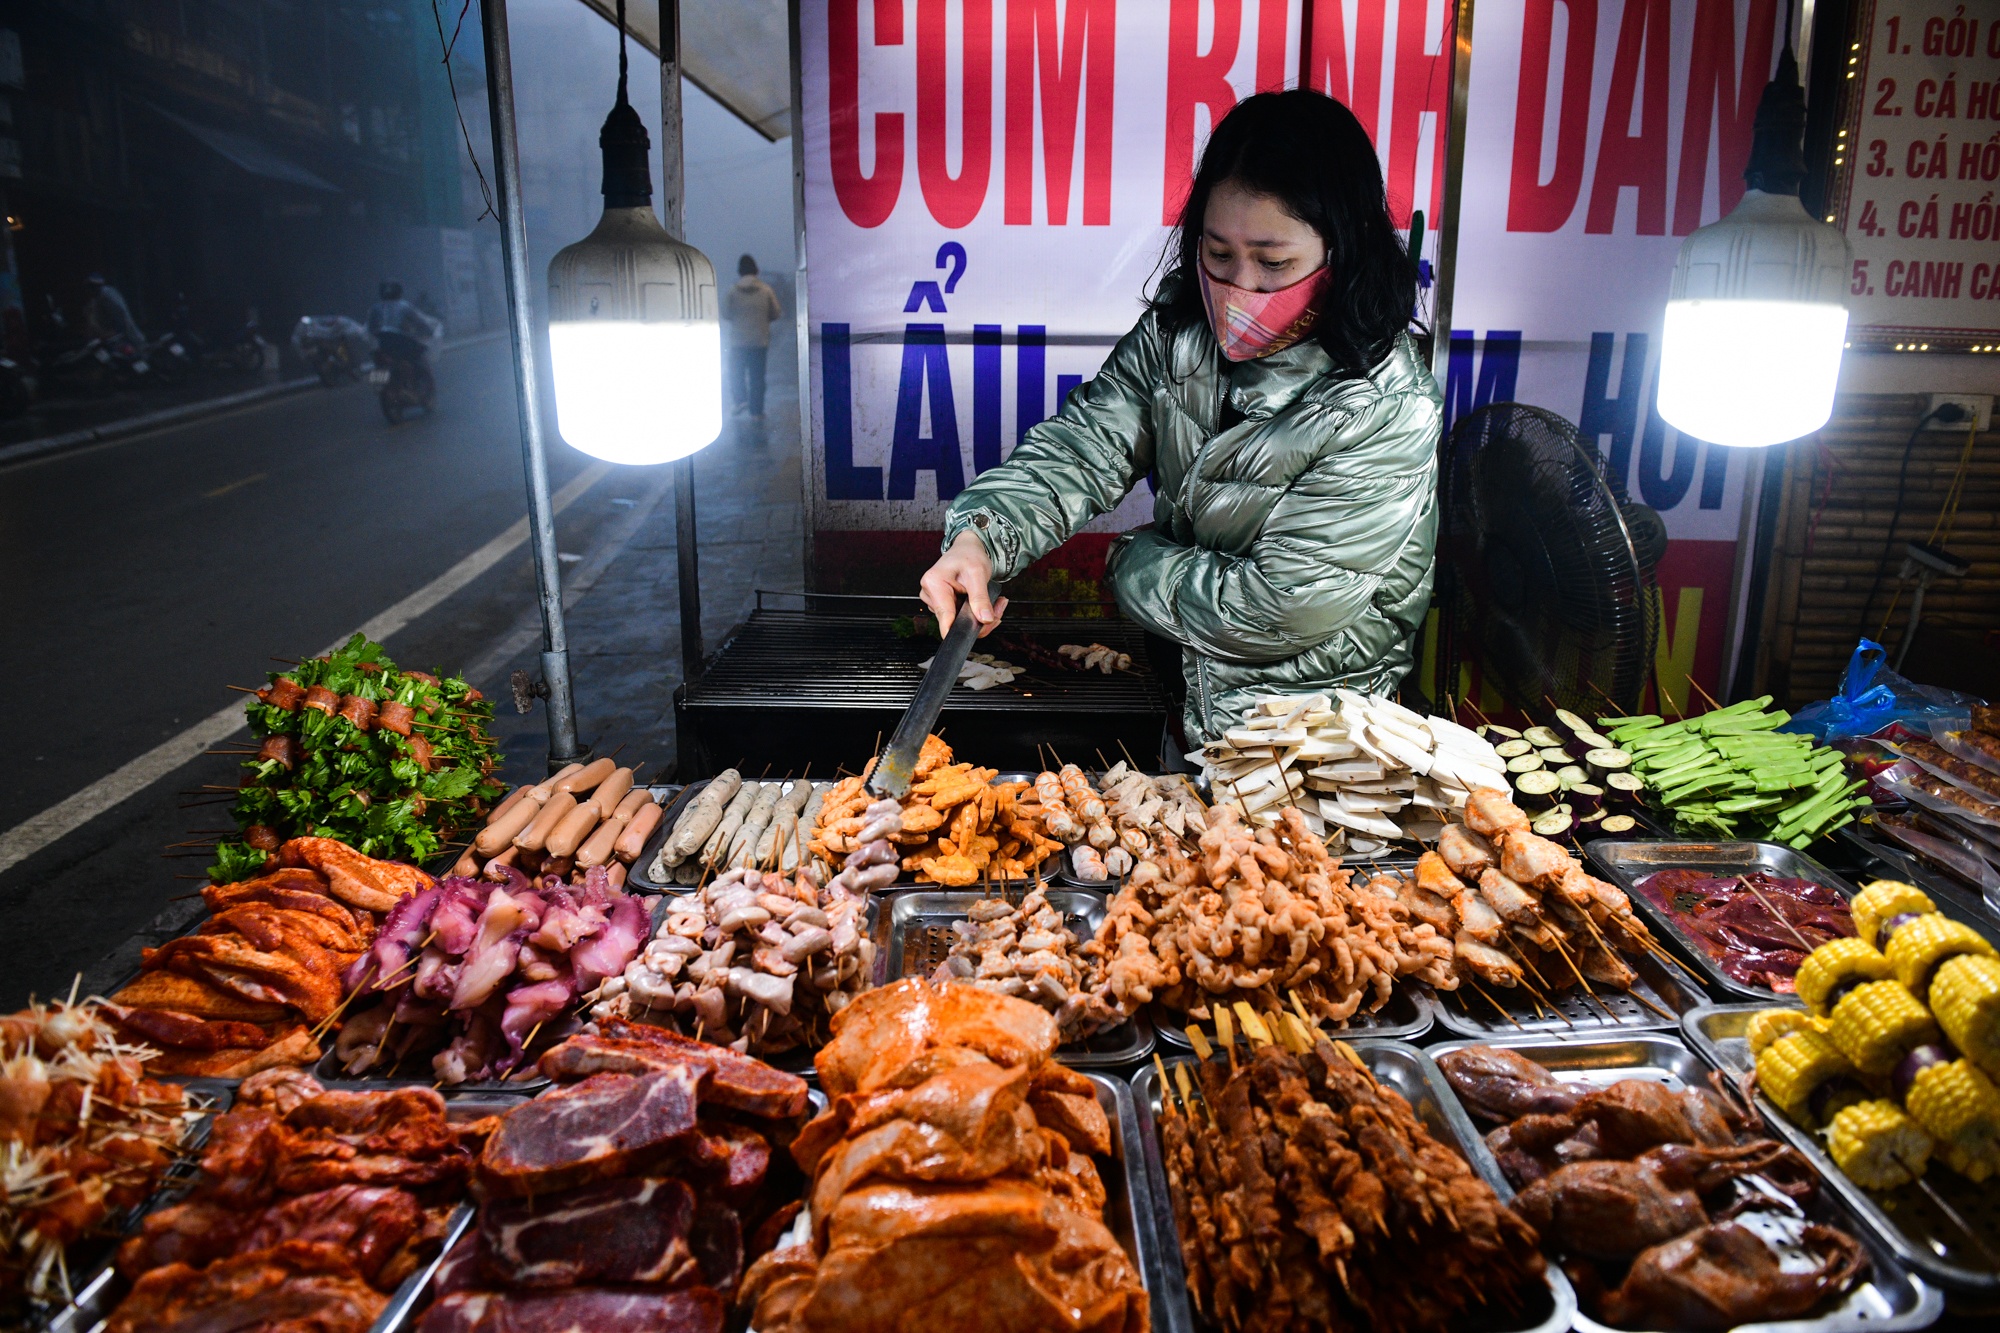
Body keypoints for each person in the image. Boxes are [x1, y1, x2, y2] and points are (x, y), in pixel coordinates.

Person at [919, 90, 1440, 749]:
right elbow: (1086, 446)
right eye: (1218, 254)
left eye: (1274, 262)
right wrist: (982, 538)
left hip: (1312, 743)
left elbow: (1278, 606)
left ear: (1344, 252)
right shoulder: (1178, 334)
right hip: (1189, 703)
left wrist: (1127, 561)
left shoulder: (1387, 404)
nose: (1239, 287)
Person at [722, 254, 783, 419]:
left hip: (738, 341)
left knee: (736, 373)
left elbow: (725, 313)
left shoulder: (733, 291)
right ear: (756, 270)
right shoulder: (766, 291)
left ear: (740, 271)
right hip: (759, 340)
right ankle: (756, 411)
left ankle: (740, 400)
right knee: (757, 377)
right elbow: (776, 313)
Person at [365, 280, 441, 397]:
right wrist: (429, 332)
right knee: (419, 356)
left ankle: (396, 386)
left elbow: (370, 329)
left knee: (378, 365)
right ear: (399, 292)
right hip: (402, 343)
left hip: (383, 344)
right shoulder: (404, 306)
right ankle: (415, 388)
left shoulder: (374, 308)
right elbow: (420, 322)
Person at [83, 273, 144, 346]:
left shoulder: (107, 294)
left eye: (92, 286)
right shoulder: (93, 302)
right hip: (108, 338)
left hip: (123, 336)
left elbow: (121, 315)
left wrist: (115, 331)